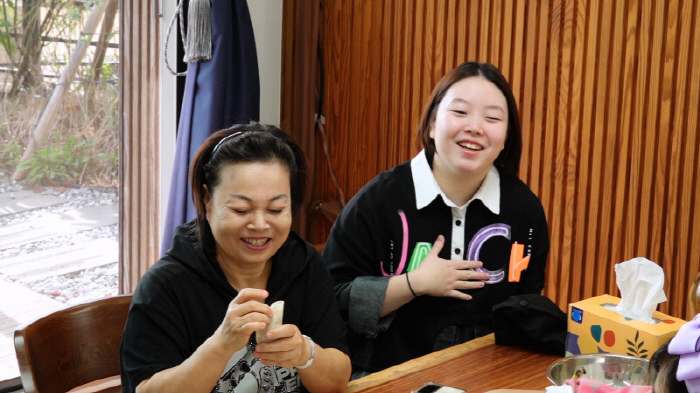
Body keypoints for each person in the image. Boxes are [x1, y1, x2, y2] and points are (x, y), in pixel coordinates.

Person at [322, 61, 550, 377]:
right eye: (460, 112)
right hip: (387, 372)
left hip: (487, 373)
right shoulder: (380, 201)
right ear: (431, 124)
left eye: (492, 118)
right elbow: (331, 299)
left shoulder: (523, 210)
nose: (475, 126)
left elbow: (526, 305)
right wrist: (413, 284)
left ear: (506, 136)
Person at [120, 122, 351, 393]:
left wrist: (305, 353)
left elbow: (337, 381)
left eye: (276, 209)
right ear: (207, 200)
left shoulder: (304, 265)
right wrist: (220, 345)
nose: (260, 224)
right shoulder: (167, 285)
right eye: (241, 210)